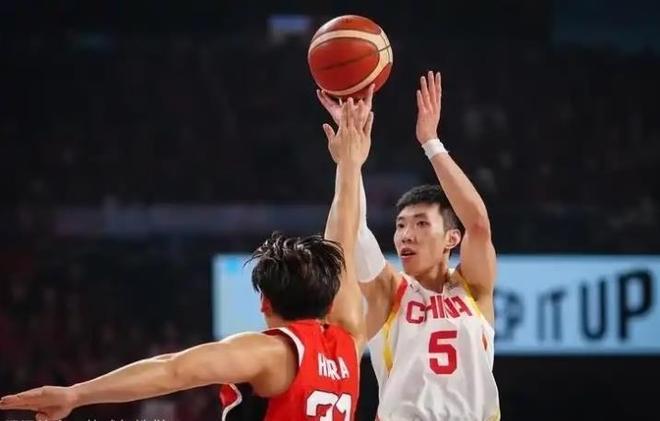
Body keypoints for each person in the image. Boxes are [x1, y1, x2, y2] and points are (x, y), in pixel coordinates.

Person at [0, 102, 373, 421]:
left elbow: (173, 370)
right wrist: (350, 163)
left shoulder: (271, 354)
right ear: (329, 297)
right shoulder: (349, 341)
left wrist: (76, 394)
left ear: (265, 302)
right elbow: (342, 241)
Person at [317, 72, 500, 420]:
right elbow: (352, 233)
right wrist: (350, 160)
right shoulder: (389, 291)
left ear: (451, 238)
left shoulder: (474, 290)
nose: (406, 235)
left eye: (421, 224)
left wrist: (431, 142)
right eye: (400, 225)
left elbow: (477, 224)